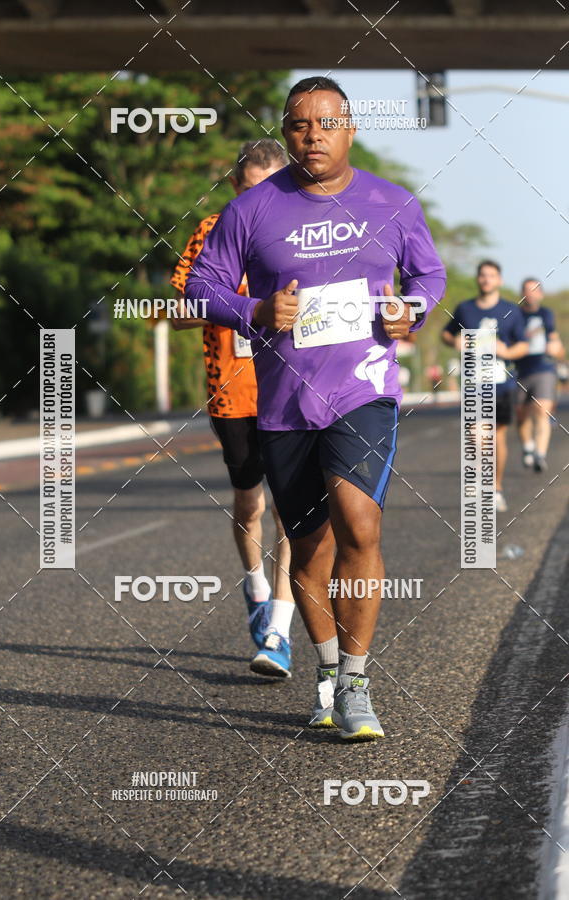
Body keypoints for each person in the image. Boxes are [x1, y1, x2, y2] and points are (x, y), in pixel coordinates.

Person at [186, 76, 446, 740]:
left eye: (327, 123)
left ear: (350, 129)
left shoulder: (391, 202)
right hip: (285, 403)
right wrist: (253, 309)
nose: (313, 136)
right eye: (300, 125)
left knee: (358, 522)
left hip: (364, 389)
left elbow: (429, 275)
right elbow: (200, 286)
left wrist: (410, 311)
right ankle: (328, 671)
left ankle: (356, 681)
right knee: (308, 548)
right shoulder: (251, 209)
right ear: (285, 132)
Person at [169, 139, 296, 679]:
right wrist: (244, 308)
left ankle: (279, 631)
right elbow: (178, 311)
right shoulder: (211, 230)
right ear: (232, 187)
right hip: (232, 392)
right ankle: (256, 588)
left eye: (269, 189)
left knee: (291, 509)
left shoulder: (301, 228)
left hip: (291, 388)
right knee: (250, 506)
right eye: (248, 191)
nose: (258, 202)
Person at [442, 260, 528, 513]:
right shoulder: (465, 309)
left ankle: (496, 488)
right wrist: (455, 341)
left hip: (501, 383)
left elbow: (523, 344)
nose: (486, 279)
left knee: (497, 436)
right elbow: (447, 334)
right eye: (483, 275)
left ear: (499, 280)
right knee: (475, 434)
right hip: (473, 382)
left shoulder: (511, 310)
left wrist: (507, 351)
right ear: (477, 279)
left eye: (491, 275)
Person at [515, 278, 564, 472]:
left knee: (542, 410)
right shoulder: (514, 315)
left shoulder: (546, 314)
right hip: (520, 370)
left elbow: (555, 341)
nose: (531, 294)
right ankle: (528, 447)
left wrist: (557, 349)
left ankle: (540, 455)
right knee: (521, 414)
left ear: (541, 294)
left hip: (544, 369)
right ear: (522, 294)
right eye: (527, 290)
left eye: (534, 290)